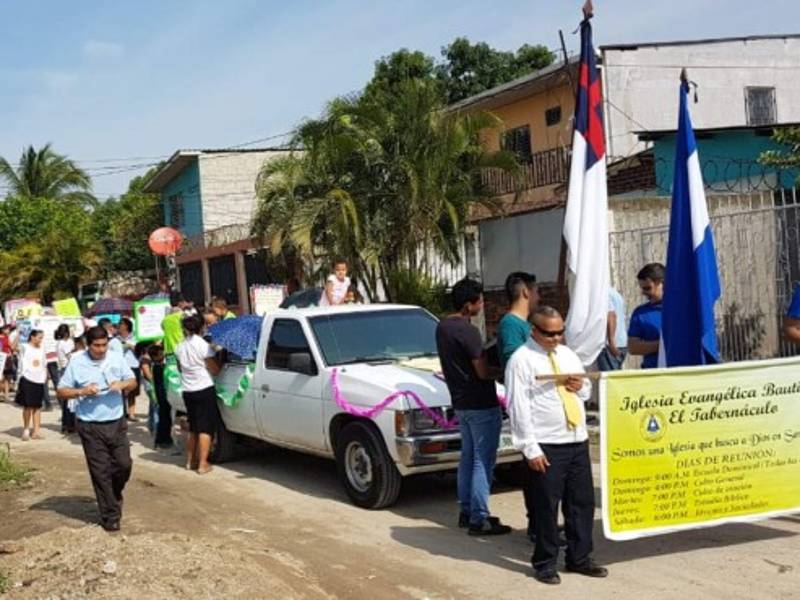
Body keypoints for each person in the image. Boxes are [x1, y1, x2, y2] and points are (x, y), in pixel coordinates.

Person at [506, 306, 608, 585]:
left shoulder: (567, 354)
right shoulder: (521, 360)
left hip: (576, 439)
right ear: (534, 330)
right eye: (549, 333)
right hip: (547, 443)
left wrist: (580, 386)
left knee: (581, 503)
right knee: (545, 507)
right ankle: (545, 563)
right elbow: (518, 407)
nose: (556, 338)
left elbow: (585, 390)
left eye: (560, 332)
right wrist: (530, 448)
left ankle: (579, 557)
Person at [435, 278, 510, 536]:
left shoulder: (442, 327)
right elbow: (481, 370)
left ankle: (467, 510)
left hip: (461, 402)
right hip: (480, 402)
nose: (482, 304)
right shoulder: (468, 331)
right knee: (482, 461)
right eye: (479, 300)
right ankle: (479, 517)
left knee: (468, 457)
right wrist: (500, 372)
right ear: (469, 305)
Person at [57, 326, 137, 532]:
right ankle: (110, 515)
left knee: (123, 465)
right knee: (100, 472)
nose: (101, 349)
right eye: (96, 346)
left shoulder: (116, 358)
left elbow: (133, 381)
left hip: (116, 422)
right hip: (90, 424)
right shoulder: (77, 362)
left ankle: (113, 493)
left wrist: (122, 385)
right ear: (88, 344)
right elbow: (62, 390)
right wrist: (82, 391)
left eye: (104, 345)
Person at [495, 271, 539, 540]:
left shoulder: (523, 324)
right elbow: (515, 359)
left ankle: (541, 521)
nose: (537, 297)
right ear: (525, 292)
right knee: (535, 472)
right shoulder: (512, 326)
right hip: (528, 407)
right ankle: (536, 525)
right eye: (536, 292)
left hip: (540, 405)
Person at [175, 314, 220, 474]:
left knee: (193, 427)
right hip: (204, 388)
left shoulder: (179, 346)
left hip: (188, 390)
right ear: (201, 327)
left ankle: (190, 461)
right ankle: (202, 464)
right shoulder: (203, 345)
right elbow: (214, 369)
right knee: (206, 428)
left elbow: (180, 368)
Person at [628, 263, 665, 369]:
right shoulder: (640, 313)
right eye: (642, 288)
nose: (643, 292)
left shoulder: (681, 309)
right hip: (653, 372)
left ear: (662, 283)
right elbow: (633, 347)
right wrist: (662, 345)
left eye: (648, 288)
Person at [15, 329, 48, 441]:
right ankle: (26, 429)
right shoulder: (25, 347)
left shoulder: (42, 348)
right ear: (32, 337)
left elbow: (44, 363)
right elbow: (13, 347)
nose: (40, 340)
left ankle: (36, 431)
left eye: (41, 337)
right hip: (27, 378)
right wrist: (18, 334)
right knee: (28, 406)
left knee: (37, 406)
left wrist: (45, 376)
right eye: (39, 337)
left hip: (39, 379)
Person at [597, 286, 628, 371]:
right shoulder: (613, 292)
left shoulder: (603, 293)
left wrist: (611, 341)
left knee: (609, 379)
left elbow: (611, 315)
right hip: (621, 343)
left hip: (610, 345)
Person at [148, 344, 173, 449]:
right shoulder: (159, 368)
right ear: (155, 357)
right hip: (162, 397)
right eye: (160, 354)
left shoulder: (158, 367)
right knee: (164, 418)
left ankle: (163, 439)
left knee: (165, 418)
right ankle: (162, 440)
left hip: (162, 397)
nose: (163, 355)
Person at [117, 318, 140, 421]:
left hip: (133, 365)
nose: (119, 326)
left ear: (127, 326)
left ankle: (131, 414)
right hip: (120, 368)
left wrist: (130, 346)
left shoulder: (135, 338)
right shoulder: (116, 339)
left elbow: (140, 352)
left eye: (121, 324)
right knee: (120, 391)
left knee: (132, 391)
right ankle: (122, 413)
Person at [55, 324, 76, 433]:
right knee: (69, 398)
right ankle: (68, 424)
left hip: (63, 369)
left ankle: (67, 423)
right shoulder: (63, 343)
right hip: (66, 369)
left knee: (68, 400)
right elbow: (70, 356)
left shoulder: (61, 342)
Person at [0, 325, 14, 402]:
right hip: (2, 359)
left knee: (7, 378)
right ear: (2, 330)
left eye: (9, 329)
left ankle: (6, 395)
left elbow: (12, 347)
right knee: (1, 378)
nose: (8, 330)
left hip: (8, 359)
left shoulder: (7, 337)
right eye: (7, 329)